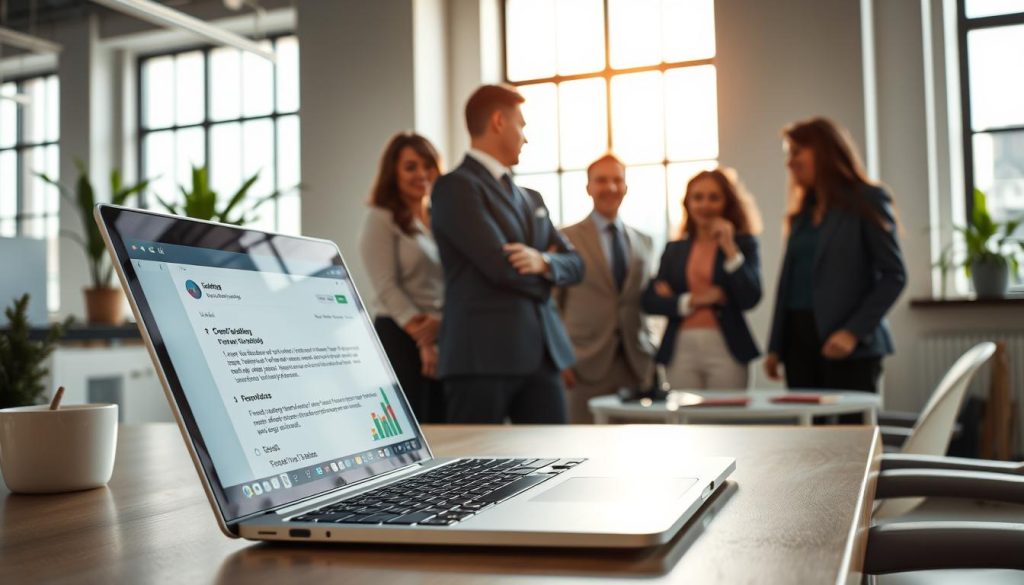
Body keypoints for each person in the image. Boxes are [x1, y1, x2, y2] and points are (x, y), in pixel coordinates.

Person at [430, 84, 585, 424]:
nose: (526, 137)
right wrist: (549, 277)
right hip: (481, 359)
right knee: (473, 472)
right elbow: (501, 268)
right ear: (499, 121)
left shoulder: (533, 198)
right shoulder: (454, 187)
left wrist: (543, 262)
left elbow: (577, 265)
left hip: (543, 356)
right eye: (522, 125)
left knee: (556, 465)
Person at [764, 117, 906, 394]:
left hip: (850, 346)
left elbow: (894, 275)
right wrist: (776, 345)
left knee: (850, 434)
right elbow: (788, 283)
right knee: (807, 437)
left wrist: (852, 332)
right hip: (798, 343)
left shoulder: (868, 199)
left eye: (796, 153)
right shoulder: (802, 213)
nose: (789, 163)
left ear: (823, 150)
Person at [642, 168, 763, 389]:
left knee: (726, 418)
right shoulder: (674, 250)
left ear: (727, 202)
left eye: (713, 198)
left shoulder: (743, 244)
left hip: (727, 346)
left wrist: (730, 249)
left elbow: (750, 297)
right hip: (680, 348)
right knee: (685, 419)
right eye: (698, 198)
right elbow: (650, 300)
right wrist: (693, 300)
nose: (705, 205)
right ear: (687, 203)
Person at [557, 154, 656, 423]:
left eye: (617, 180)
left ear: (626, 187)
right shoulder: (565, 238)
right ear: (588, 187)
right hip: (582, 364)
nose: (610, 188)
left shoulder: (644, 241)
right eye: (601, 180)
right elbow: (553, 303)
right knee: (584, 449)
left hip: (636, 364)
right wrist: (559, 359)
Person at [359, 132, 446, 423]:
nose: (421, 174)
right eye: (411, 167)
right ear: (393, 172)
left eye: (427, 165)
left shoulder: (439, 218)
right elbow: (386, 286)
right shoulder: (381, 217)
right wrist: (424, 341)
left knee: (447, 425)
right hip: (400, 334)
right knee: (416, 426)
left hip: (440, 331)